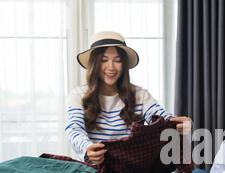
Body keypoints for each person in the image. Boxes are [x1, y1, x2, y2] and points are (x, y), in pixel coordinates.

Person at [65, 31, 190, 164]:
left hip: (131, 169)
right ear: (94, 64)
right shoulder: (78, 95)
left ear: (124, 65)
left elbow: (159, 117)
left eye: (118, 60)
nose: (111, 67)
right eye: (104, 60)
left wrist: (176, 123)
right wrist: (87, 148)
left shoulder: (140, 95)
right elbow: (74, 128)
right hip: (93, 169)